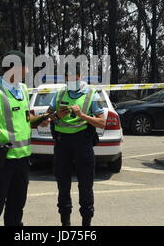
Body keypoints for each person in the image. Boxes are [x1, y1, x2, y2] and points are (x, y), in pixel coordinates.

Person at [0, 50, 50, 226]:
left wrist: (40, 120)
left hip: (22, 159)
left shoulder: (22, 89)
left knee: (16, 207)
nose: (28, 72)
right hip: (2, 159)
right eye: (26, 68)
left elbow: (25, 118)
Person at [46, 64, 106, 226]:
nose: (70, 80)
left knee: (86, 185)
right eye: (67, 77)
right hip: (62, 144)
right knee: (62, 185)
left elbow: (102, 122)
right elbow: (48, 116)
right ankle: (65, 224)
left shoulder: (92, 94)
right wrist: (56, 115)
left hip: (83, 143)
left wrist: (82, 115)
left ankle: (86, 224)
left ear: (80, 77)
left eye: (74, 77)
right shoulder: (59, 94)